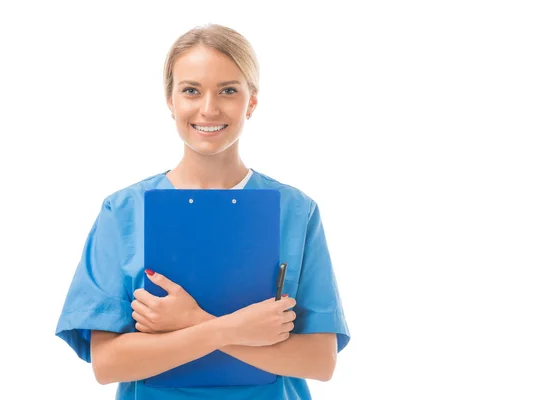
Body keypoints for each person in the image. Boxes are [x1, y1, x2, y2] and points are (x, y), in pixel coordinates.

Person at [55, 23, 350, 400]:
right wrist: (227, 329)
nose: (208, 109)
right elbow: (109, 364)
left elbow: (319, 362)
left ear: (252, 101)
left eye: (228, 90)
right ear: (170, 100)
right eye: (191, 90)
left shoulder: (296, 212)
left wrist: (192, 322)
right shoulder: (124, 211)